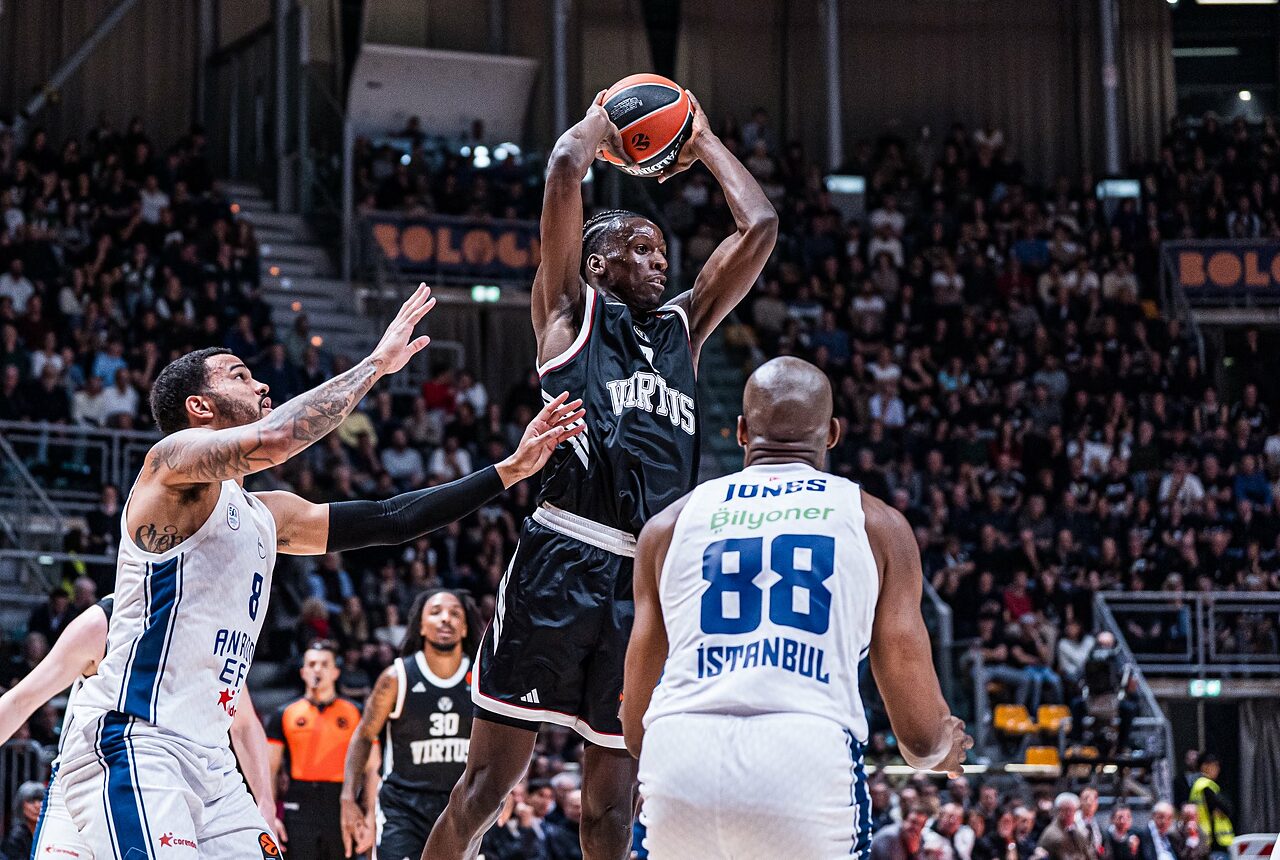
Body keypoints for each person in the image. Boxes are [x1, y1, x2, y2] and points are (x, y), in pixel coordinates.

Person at [54, 285, 584, 856]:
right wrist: (376, 366)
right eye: (238, 375)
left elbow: (389, 518)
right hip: (137, 741)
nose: (259, 384)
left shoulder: (267, 515)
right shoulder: (170, 463)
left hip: (209, 758)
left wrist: (508, 470)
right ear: (199, 407)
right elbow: (281, 438)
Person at [427, 87, 776, 860]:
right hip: (562, 559)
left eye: (662, 252)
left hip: (646, 580)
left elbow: (760, 226)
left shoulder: (683, 327)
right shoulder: (567, 314)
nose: (659, 263)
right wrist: (607, 119)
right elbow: (561, 167)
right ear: (597, 262)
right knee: (487, 790)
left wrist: (705, 140)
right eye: (641, 250)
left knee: (611, 814)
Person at [621, 357, 969, 858]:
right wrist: (944, 745)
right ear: (831, 434)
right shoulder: (878, 525)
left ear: (741, 431)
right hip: (803, 756)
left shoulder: (667, 527)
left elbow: (636, 727)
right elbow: (917, 737)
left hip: (680, 759)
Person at [0, 593, 278, 856]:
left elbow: (244, 723)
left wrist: (265, 802)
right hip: (90, 777)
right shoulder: (106, 621)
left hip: (183, 778)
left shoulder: (210, 626)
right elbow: (20, 701)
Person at [340, 589, 482, 859]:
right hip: (403, 806)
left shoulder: (480, 679)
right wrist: (348, 796)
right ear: (421, 626)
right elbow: (363, 736)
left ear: (464, 628)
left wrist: (508, 790)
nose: (445, 619)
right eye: (436, 612)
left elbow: (501, 741)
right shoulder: (396, 677)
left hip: (463, 805)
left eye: (455, 614)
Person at [267, 641, 374, 860]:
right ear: (303, 672)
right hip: (299, 805)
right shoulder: (285, 714)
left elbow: (372, 769)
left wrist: (371, 814)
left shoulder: (356, 712)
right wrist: (271, 815)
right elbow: (270, 769)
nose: (317, 669)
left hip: (342, 803)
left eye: (325, 664)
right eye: (312, 664)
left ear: (335, 672)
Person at [1189, 753, 1234, 857]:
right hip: (1214, 840)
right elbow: (1226, 809)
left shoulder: (1195, 785)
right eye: (1215, 765)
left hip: (1202, 838)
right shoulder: (1205, 785)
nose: (1218, 769)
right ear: (1205, 766)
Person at [1037, 793, 1094, 860]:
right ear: (1058, 811)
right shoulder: (1054, 835)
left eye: (1072, 811)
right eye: (1065, 810)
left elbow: (1088, 852)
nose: (1069, 814)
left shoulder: (1073, 830)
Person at [3, 782, 44, 859]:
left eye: (41, 800)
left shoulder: (50, 832)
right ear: (21, 805)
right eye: (31, 801)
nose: (37, 806)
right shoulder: (15, 838)